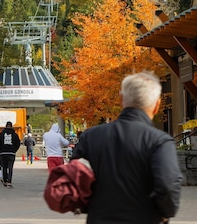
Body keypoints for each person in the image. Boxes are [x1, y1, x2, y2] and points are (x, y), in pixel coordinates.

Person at [70, 71, 182, 223]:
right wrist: (164, 212)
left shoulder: (91, 137)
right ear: (157, 104)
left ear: (121, 98)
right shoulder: (159, 141)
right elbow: (167, 185)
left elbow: (73, 177)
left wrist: (86, 206)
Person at [0, 121, 20, 188]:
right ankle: (9, 181)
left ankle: (5, 180)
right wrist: (14, 150)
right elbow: (18, 143)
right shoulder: (15, 134)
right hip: (11, 153)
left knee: (4, 167)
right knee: (10, 167)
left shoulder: (1, 134)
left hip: (3, 153)